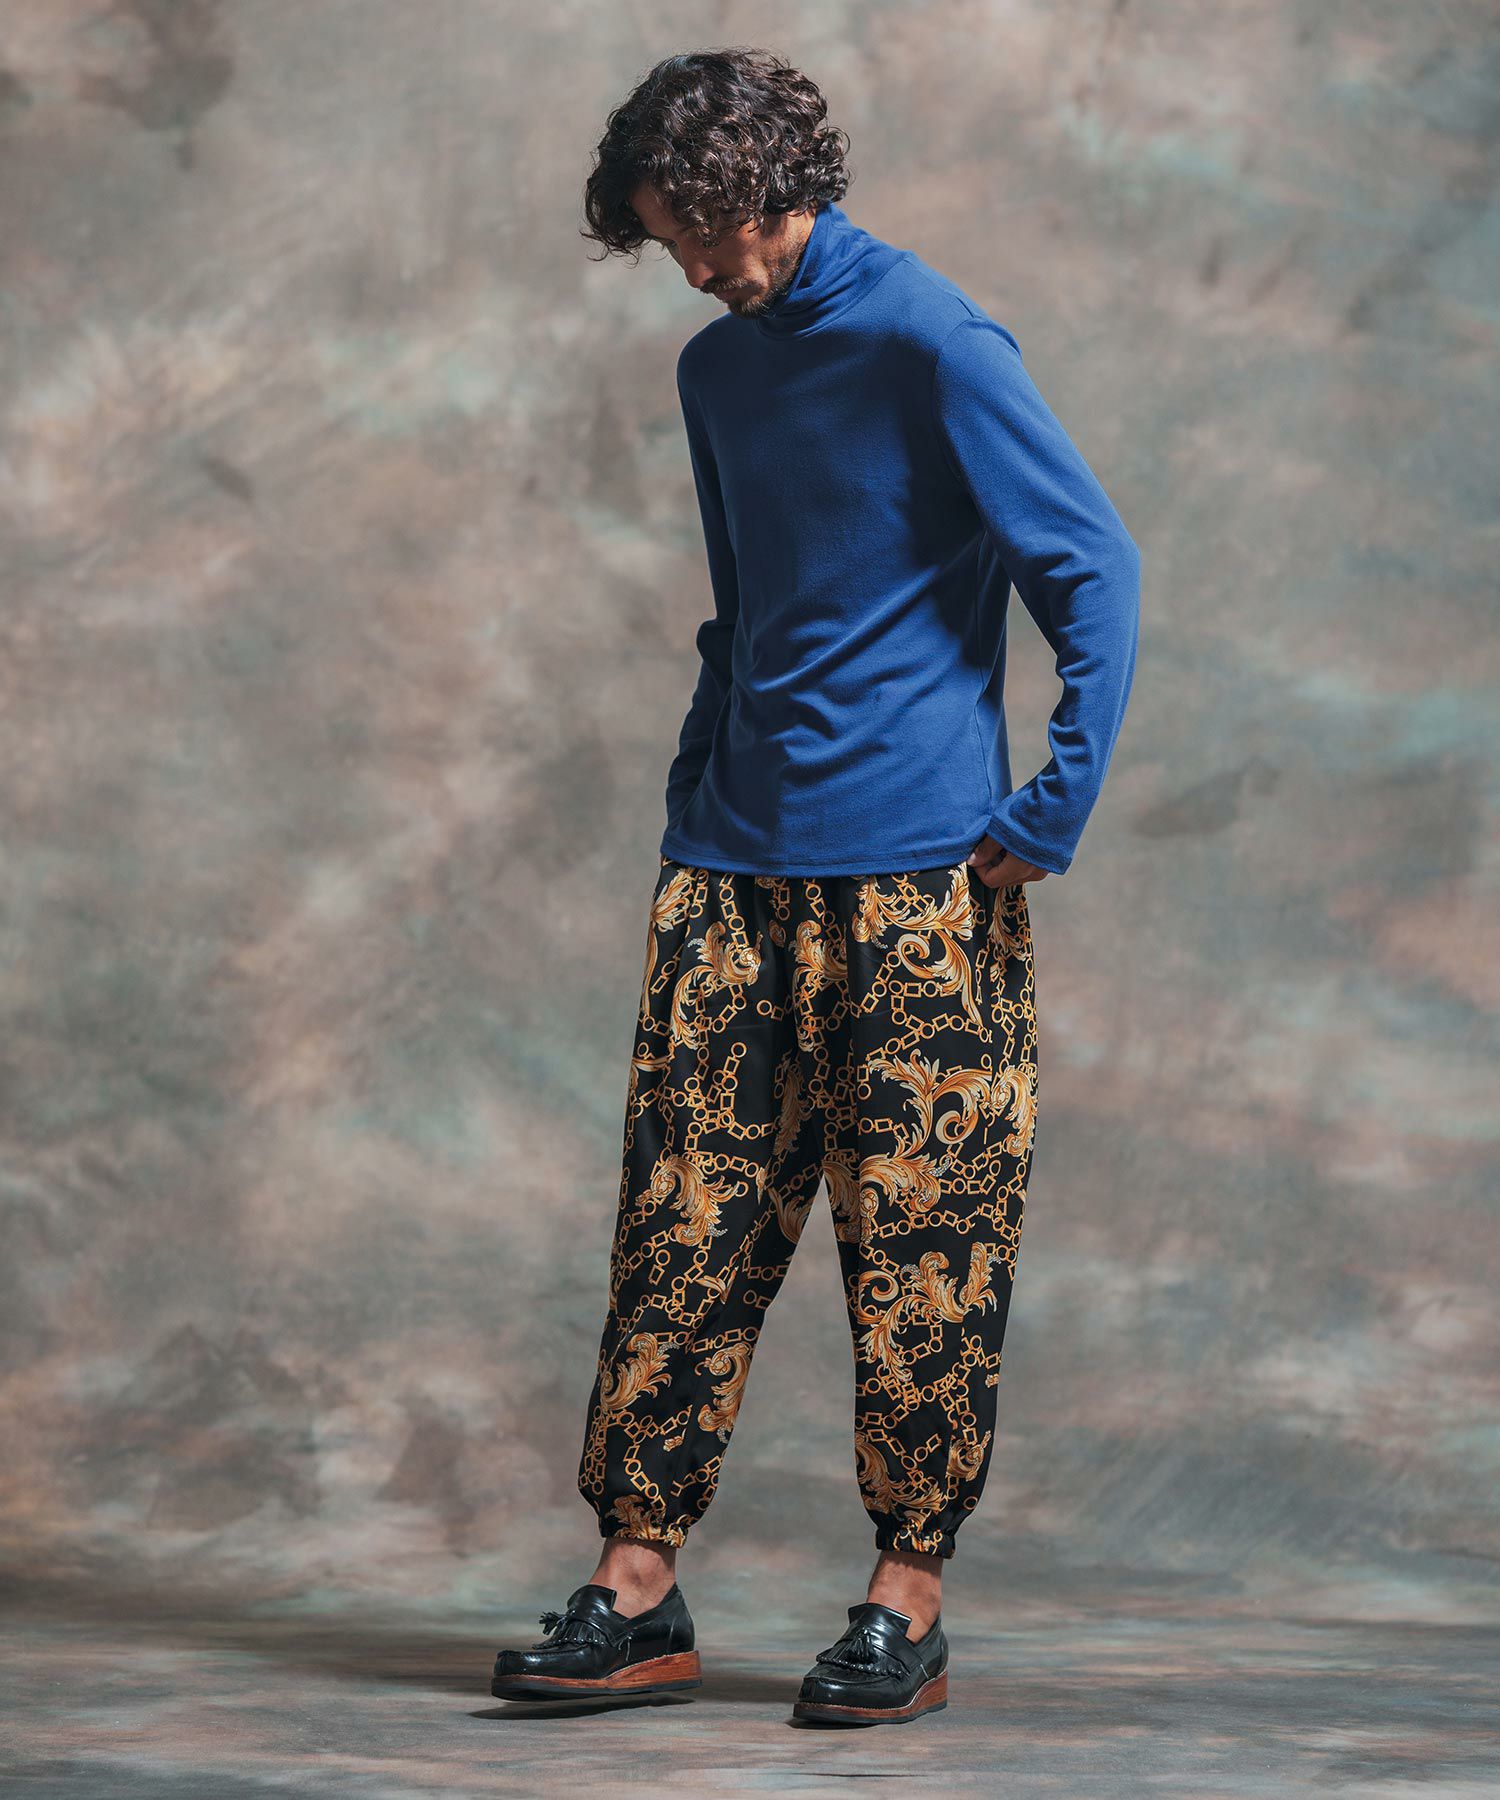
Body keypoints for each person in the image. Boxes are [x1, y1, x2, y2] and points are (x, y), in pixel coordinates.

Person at [493, 47, 1140, 1726]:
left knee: (925, 1250)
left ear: (769, 188)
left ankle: (904, 1604)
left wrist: (1053, 803)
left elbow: (1093, 569)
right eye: (666, 245)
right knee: (678, 1235)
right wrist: (690, 793)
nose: (691, 272)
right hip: (731, 874)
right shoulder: (718, 372)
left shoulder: (937, 339)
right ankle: (638, 1591)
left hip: (922, 885)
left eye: (701, 236)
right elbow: (742, 608)